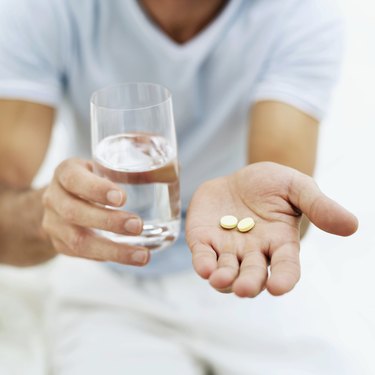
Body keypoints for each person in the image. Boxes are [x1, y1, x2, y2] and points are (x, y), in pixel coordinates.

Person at [0, 0, 358, 374]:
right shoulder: (43, 9)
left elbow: (286, 199)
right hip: (106, 278)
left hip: (243, 264)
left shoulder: (299, 13)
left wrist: (278, 215)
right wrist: (54, 215)